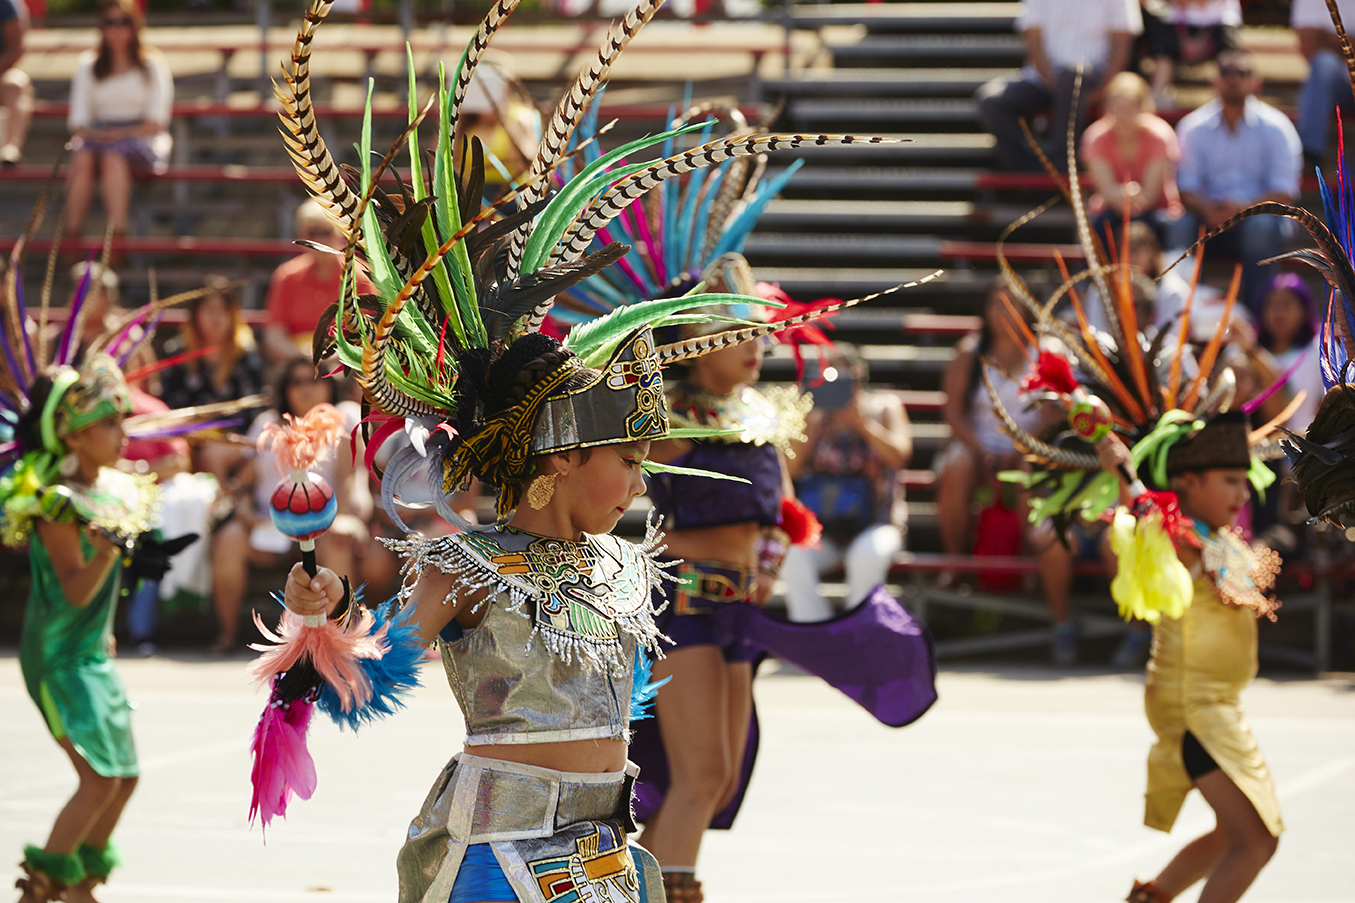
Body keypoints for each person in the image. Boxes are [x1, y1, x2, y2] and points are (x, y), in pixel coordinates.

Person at [1098, 419, 1282, 903]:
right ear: (1187, 482)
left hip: (1216, 706)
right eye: (1230, 480)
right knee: (1256, 840)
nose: (1243, 493)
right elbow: (1142, 510)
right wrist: (1120, 466)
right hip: (1193, 708)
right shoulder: (1178, 537)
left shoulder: (1215, 538)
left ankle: (1150, 899)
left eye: (1244, 481)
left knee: (1234, 833)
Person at [206, 357, 368, 655]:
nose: (306, 389)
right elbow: (245, 479)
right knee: (229, 540)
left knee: (339, 541)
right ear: (285, 388)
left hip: (325, 527)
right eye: (297, 382)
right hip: (268, 527)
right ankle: (227, 633)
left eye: (314, 380)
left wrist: (345, 517)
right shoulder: (266, 424)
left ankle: (344, 638)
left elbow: (348, 478)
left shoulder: (343, 420)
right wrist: (242, 510)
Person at [1165, 50, 1302, 315]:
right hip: (1207, 219)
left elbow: (1285, 191)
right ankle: (1179, 317)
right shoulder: (1192, 127)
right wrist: (1207, 209)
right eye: (1226, 72)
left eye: (1241, 73)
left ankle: (1257, 319)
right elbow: (1185, 187)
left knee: (1259, 228)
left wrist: (1245, 208)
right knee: (1179, 226)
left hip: (1261, 218)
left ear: (1255, 81)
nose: (1233, 79)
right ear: (1214, 81)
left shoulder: (1277, 127)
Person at [782, 347, 912, 622]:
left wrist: (862, 424)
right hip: (824, 528)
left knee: (867, 555)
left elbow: (900, 456)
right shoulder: (813, 416)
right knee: (793, 555)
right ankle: (814, 634)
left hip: (876, 524)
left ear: (857, 376)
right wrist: (811, 427)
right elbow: (789, 469)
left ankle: (856, 632)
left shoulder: (884, 406)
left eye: (840, 374)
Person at [975, 0, 1142, 172]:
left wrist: (1102, 91)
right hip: (1042, 80)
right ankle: (1027, 172)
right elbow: (1032, 40)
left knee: (1071, 75)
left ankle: (1065, 165)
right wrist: (1055, 86)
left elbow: (1122, 46)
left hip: (1093, 81)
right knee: (991, 99)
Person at [64, 0, 173, 243]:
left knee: (112, 156)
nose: (116, 28)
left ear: (135, 26)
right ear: (100, 27)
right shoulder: (88, 65)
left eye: (124, 22)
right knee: (81, 156)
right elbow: (78, 121)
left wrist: (114, 135)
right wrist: (102, 135)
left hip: (142, 139)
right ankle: (73, 235)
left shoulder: (152, 64)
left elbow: (157, 122)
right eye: (109, 22)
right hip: (98, 137)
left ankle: (118, 239)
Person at [158, 274, 266, 483]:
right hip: (186, 436)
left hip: (234, 438)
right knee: (175, 453)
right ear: (195, 314)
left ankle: (219, 509)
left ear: (233, 314)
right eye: (209, 310)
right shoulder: (176, 352)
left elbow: (253, 412)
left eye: (223, 310)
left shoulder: (246, 356)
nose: (216, 318)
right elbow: (167, 406)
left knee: (211, 454)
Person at [262, 199, 374, 366]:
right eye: (312, 233)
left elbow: (368, 334)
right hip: (295, 364)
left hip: (343, 365)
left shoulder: (360, 276)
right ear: (301, 235)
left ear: (339, 233)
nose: (319, 240)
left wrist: (331, 358)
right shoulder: (286, 276)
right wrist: (300, 358)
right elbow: (274, 336)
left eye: (325, 232)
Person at [1080, 72, 1183, 243]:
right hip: (1110, 211)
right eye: (1116, 109)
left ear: (1144, 107)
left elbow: (1149, 196)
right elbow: (1106, 189)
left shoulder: (1160, 135)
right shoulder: (1095, 137)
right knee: (1098, 226)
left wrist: (1122, 194)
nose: (1122, 116)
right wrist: (1123, 195)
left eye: (1129, 109)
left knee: (1145, 227)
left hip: (1158, 211)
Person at [1255, 272, 1323, 434]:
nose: (1278, 312)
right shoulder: (1245, 350)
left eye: (1286, 304)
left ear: (1305, 310)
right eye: (1271, 304)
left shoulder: (1319, 350)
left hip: (1307, 450)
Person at [1140, 0, 1241, 107]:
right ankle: (1157, 98)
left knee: (1228, 58)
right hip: (1175, 19)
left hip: (1222, 20)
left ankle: (1229, 99)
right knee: (1164, 52)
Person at [1292, 0, 1355, 168]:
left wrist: (1328, 38)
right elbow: (1309, 45)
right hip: (1338, 86)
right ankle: (1309, 155)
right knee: (1323, 63)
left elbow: (1316, 40)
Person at [0, 0, 32, 166]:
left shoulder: (6, 5)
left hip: (1, 74)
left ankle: (11, 148)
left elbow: (16, 48)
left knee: (16, 84)